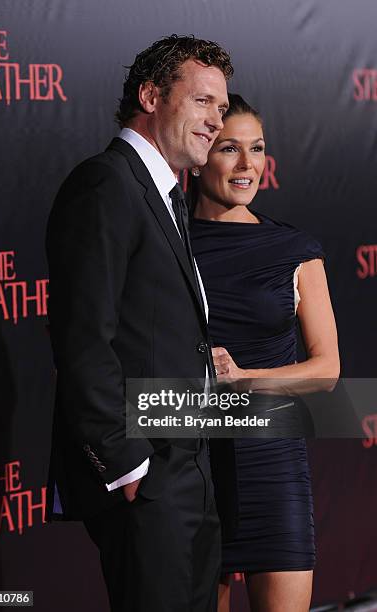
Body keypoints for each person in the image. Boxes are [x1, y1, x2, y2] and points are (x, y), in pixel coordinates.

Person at [44, 35, 232, 612]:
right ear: (151, 96)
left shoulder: (169, 196)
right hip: (148, 475)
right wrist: (127, 465)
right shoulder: (106, 184)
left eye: (222, 109)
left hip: (190, 462)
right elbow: (82, 341)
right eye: (202, 102)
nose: (215, 122)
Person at [189, 94, 340, 612]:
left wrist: (245, 377)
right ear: (200, 151)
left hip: (273, 460)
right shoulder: (168, 245)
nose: (248, 165)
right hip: (191, 461)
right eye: (230, 148)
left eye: (257, 149)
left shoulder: (294, 249)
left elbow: (327, 371)